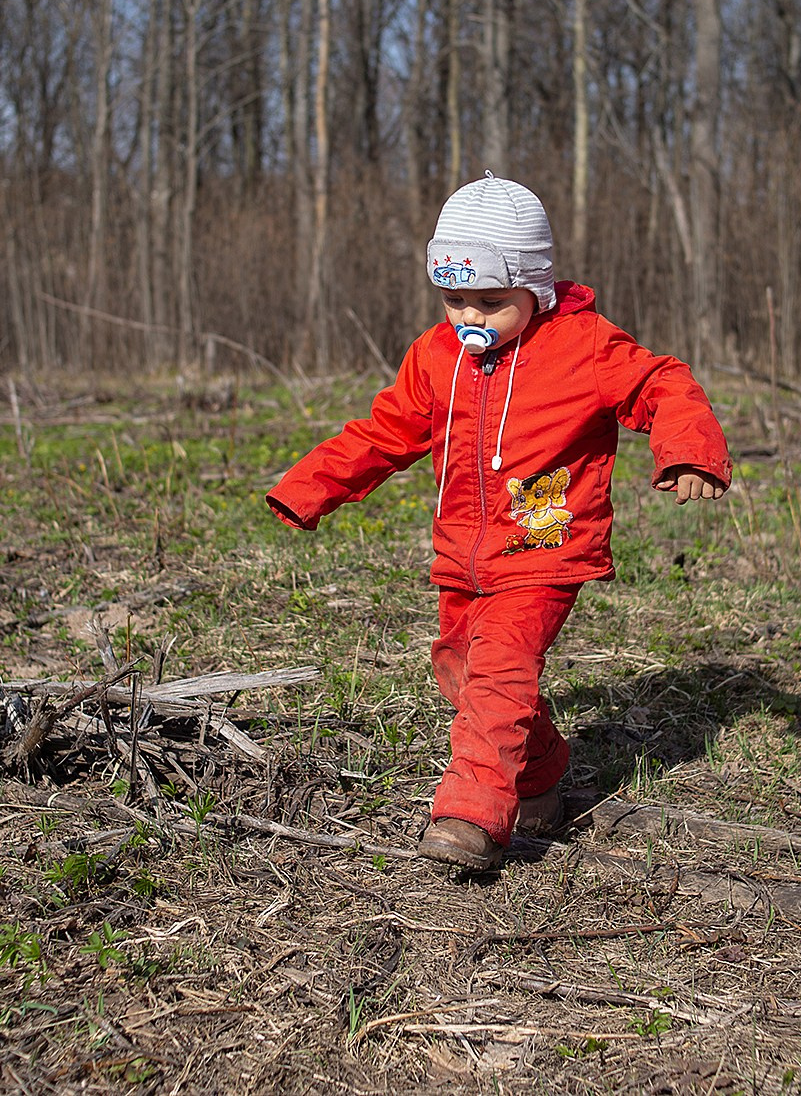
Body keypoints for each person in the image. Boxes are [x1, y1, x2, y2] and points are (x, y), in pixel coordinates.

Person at [266, 174, 731, 870]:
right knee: (461, 666)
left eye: (490, 301)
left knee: (501, 668)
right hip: (466, 556)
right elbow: (383, 432)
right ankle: (540, 777)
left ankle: (471, 812)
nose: (468, 316)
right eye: (454, 299)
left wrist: (689, 450)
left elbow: (661, 382)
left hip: (543, 550)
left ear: (535, 288)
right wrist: (309, 486)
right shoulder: (437, 356)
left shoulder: (583, 346)